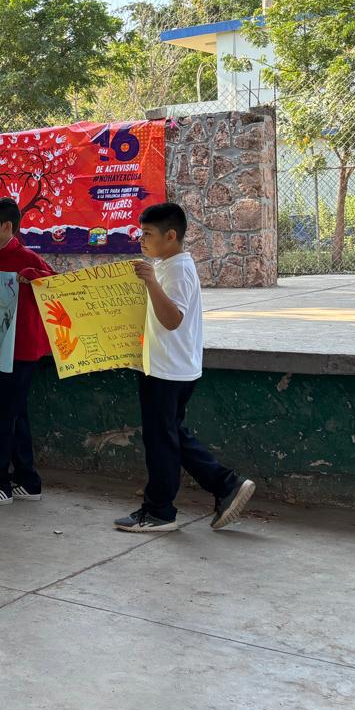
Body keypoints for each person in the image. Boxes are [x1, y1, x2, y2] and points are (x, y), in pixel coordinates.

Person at [117, 203, 256, 532]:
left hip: (167, 369)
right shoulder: (168, 265)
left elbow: (172, 319)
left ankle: (159, 511)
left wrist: (151, 282)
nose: (141, 239)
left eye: (148, 234)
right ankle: (226, 484)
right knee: (172, 434)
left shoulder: (175, 269)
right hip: (169, 365)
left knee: (161, 441)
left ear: (170, 236)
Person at [0, 198, 55, 509]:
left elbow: (58, 287)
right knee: (15, 415)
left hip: (21, 350)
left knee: (2, 415)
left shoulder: (27, 258)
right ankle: (28, 481)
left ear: (7, 226)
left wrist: (34, 275)